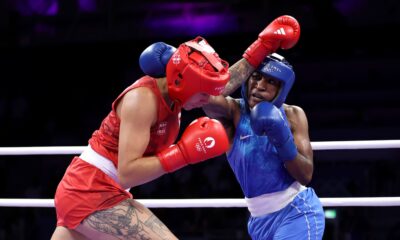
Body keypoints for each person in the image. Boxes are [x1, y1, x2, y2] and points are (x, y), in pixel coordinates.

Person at [50, 36, 231, 239]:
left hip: (94, 190)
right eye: (203, 93)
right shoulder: (142, 99)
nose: (209, 99)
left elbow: (218, 87)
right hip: (91, 190)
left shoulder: (179, 91)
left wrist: (257, 51)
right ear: (184, 82)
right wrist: (183, 153)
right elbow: (128, 173)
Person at [202, 15, 326, 239]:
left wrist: (281, 137)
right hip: (259, 222)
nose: (259, 86)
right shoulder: (234, 112)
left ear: (282, 89)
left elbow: (306, 174)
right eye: (256, 77)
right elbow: (205, 95)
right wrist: (257, 51)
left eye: (270, 81)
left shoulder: (292, 115)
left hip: (297, 211)